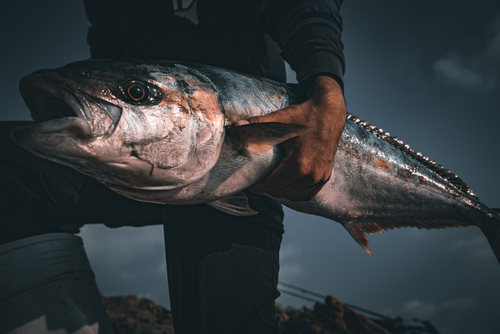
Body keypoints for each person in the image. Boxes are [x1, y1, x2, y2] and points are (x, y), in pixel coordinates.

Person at [1, 1, 346, 333]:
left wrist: (326, 89)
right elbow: (108, 50)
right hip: (133, 158)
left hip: (241, 168)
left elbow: (301, 5)